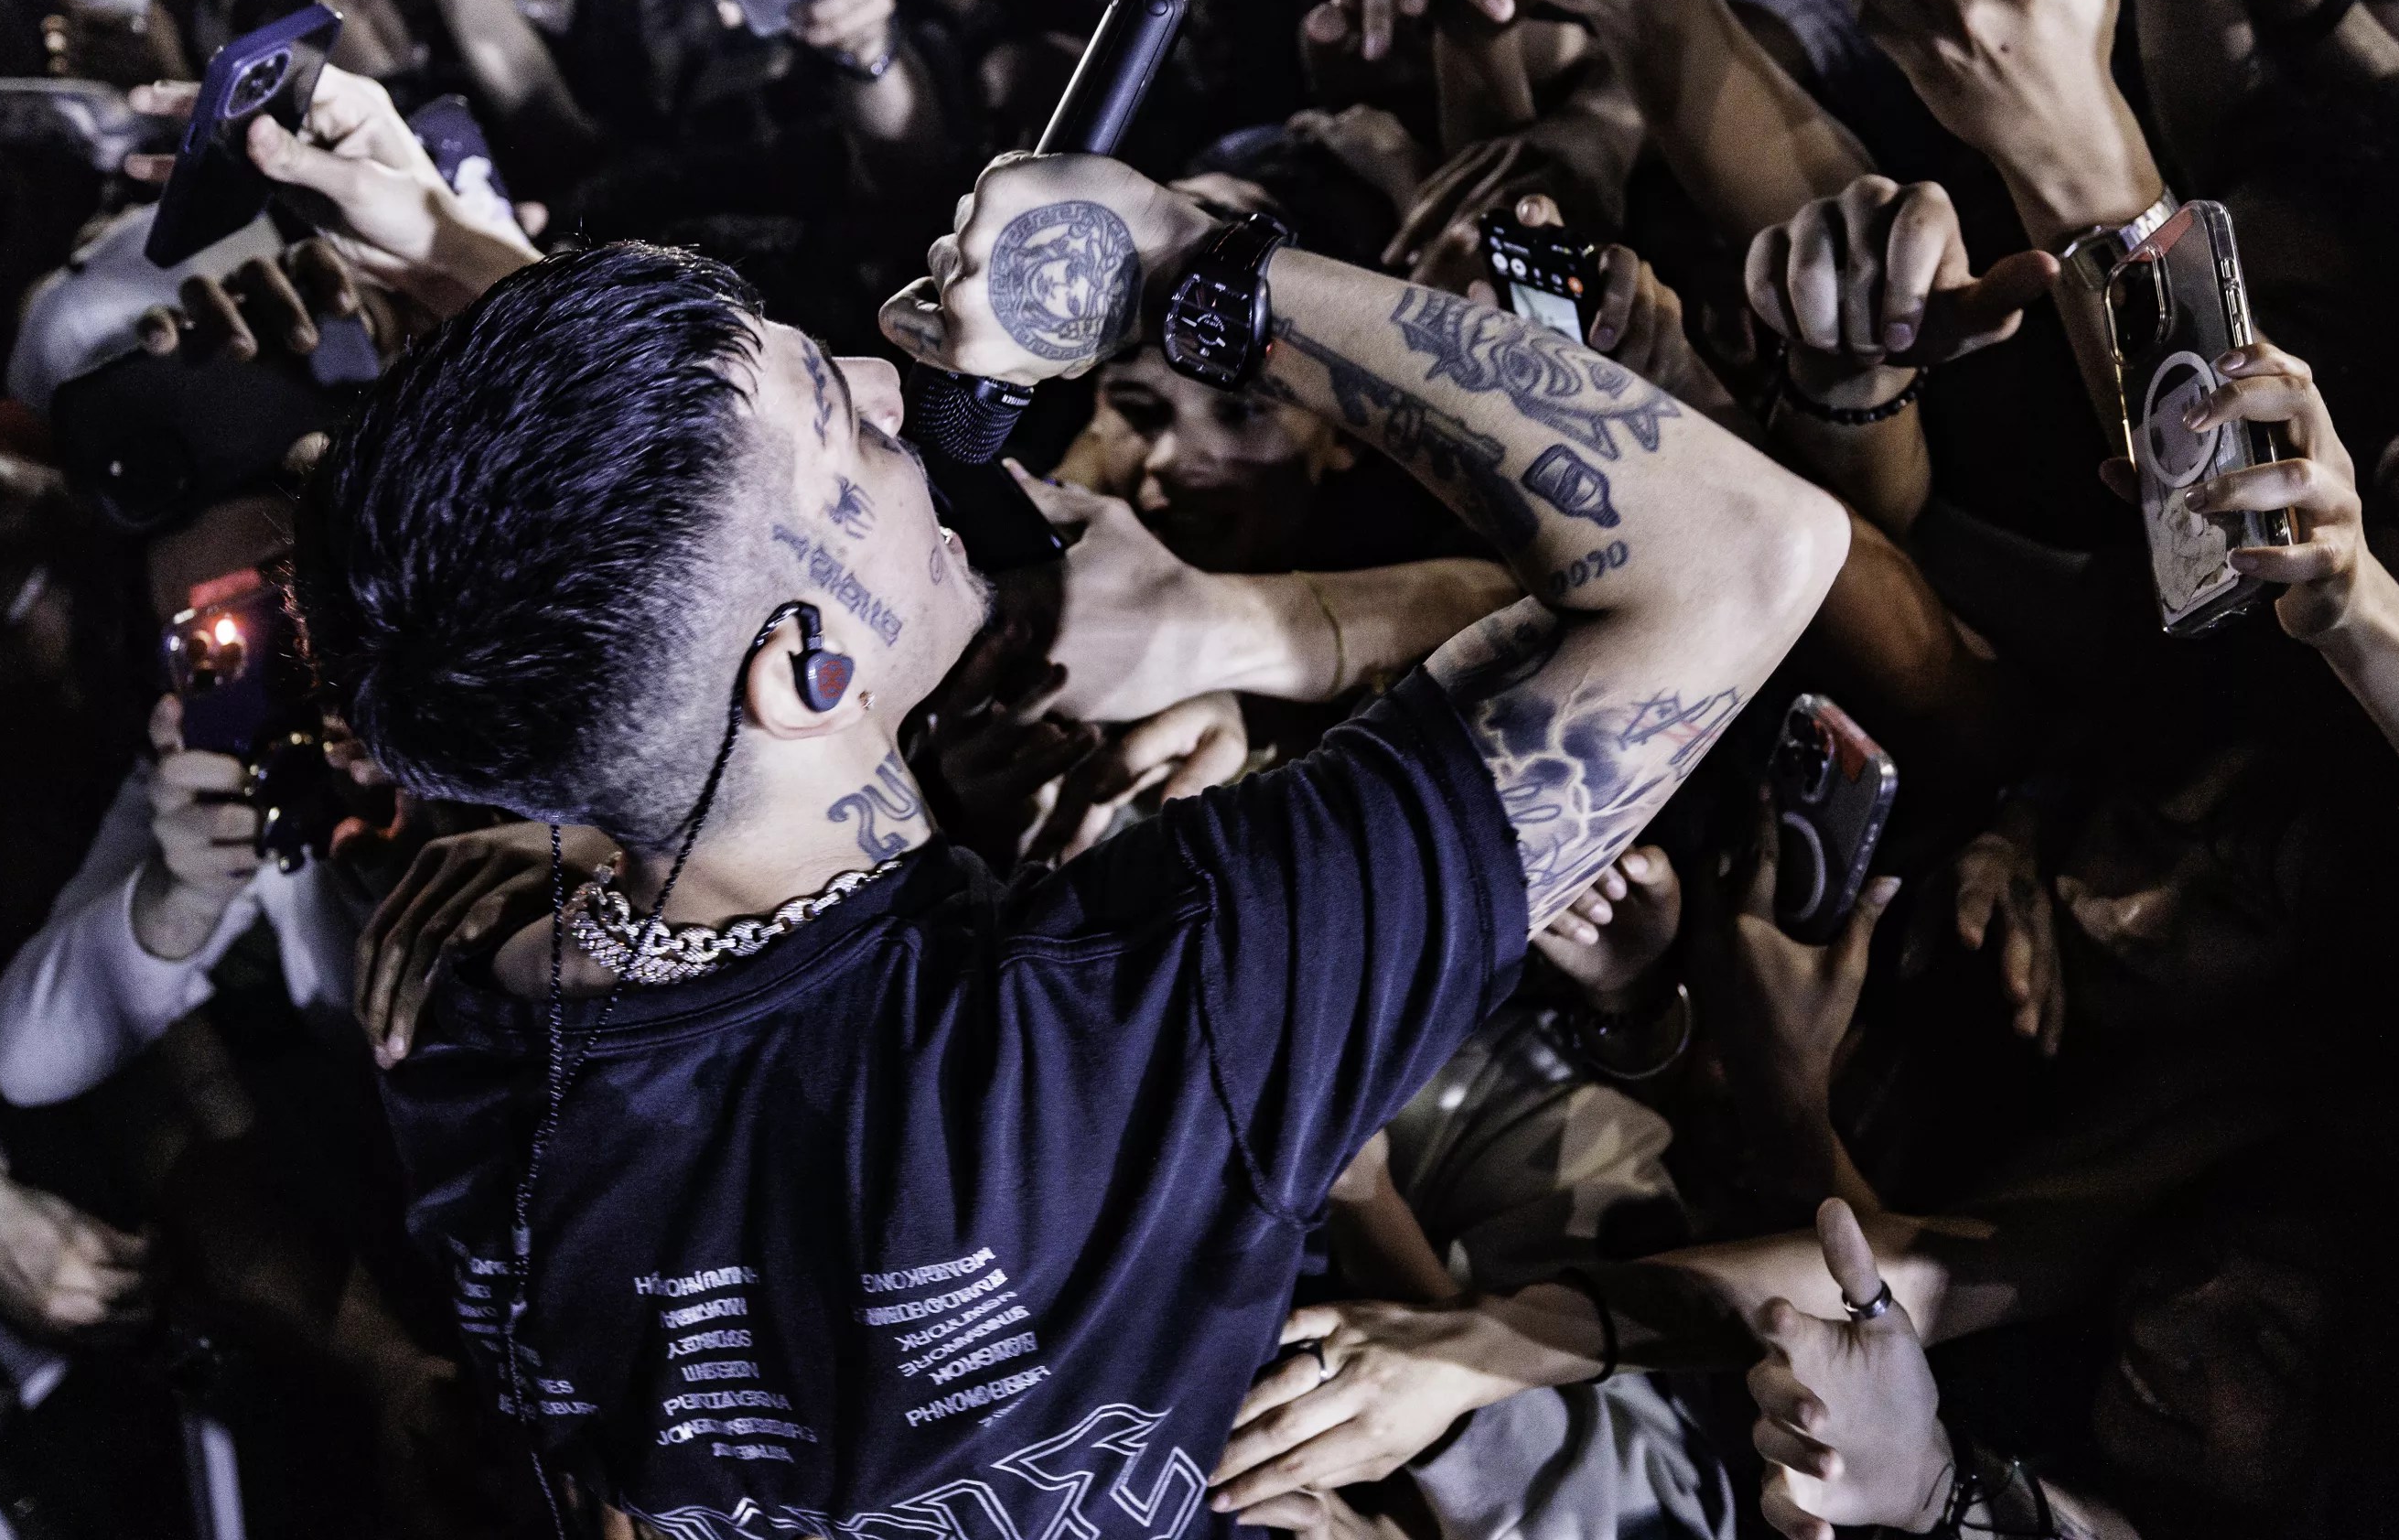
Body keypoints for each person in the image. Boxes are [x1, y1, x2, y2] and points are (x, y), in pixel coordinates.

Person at [285, 145, 1847, 1525]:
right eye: (849, 426)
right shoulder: (1132, 1016)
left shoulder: (468, 1024)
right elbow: (1744, 552)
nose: (904, 389)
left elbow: (612, 572)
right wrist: (1189, 269)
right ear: (807, 671)